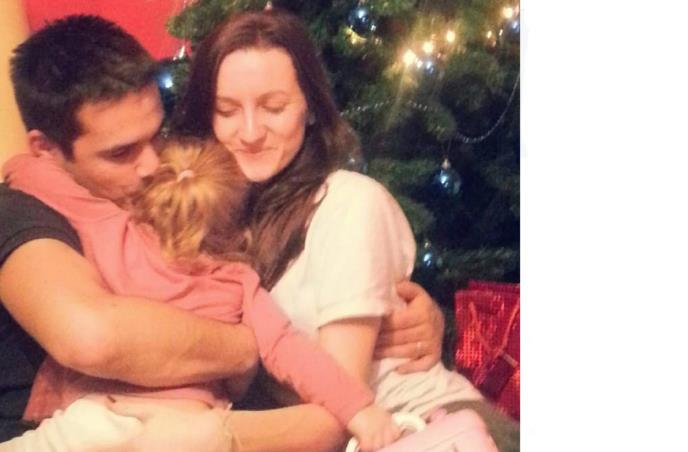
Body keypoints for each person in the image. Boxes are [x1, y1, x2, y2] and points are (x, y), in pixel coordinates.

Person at [0, 14, 443, 450]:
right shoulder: (26, 209)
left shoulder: (205, 197)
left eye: (157, 135)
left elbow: (330, 417)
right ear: (46, 151)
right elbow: (92, 338)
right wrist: (248, 346)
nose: (152, 164)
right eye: (121, 153)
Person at [173, 9, 520, 451]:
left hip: (424, 427)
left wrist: (198, 435)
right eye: (227, 111)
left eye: (274, 108)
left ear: (310, 109)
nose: (250, 131)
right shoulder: (199, 213)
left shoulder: (348, 203)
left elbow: (338, 412)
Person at [2, 138, 400, 451]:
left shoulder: (110, 227)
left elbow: (33, 174)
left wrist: (21, 161)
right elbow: (291, 352)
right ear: (236, 227)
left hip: (91, 414)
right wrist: (360, 410)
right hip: (178, 428)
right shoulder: (238, 282)